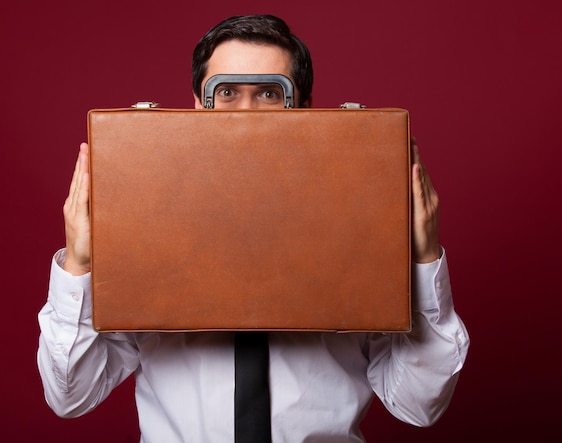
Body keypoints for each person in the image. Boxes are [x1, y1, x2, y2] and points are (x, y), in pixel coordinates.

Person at [37, 14, 469, 443]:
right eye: (225, 92)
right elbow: (71, 396)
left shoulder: (358, 230)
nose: (246, 114)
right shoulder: (146, 231)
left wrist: (423, 258)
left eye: (268, 93)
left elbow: (418, 404)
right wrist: (79, 263)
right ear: (195, 104)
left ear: (303, 107)